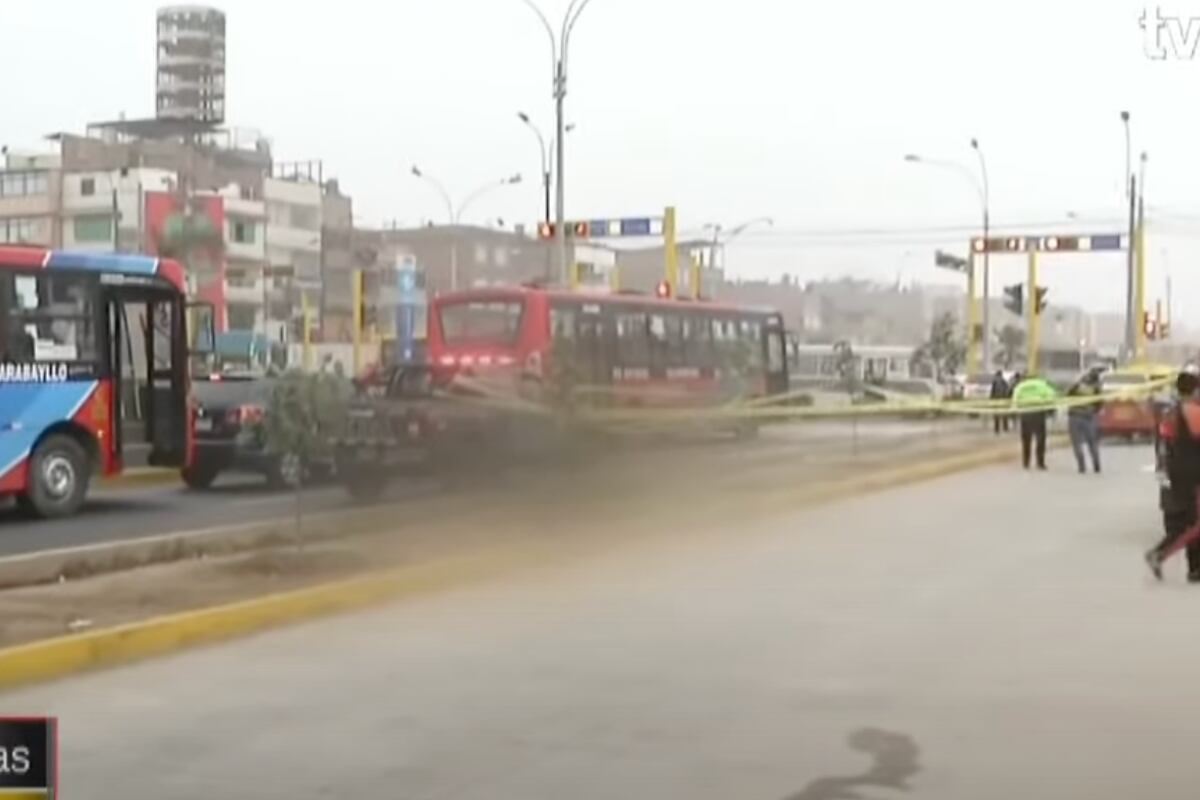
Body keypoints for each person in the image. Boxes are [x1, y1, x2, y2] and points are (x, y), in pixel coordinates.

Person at [1145, 367, 1200, 581]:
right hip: (1192, 473)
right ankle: (1159, 554)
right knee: (1193, 523)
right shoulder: (1190, 410)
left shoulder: (1173, 410)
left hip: (1178, 470)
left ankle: (1195, 568)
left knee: (1190, 520)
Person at [1012, 373, 1056, 470]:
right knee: (1040, 439)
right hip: (1038, 414)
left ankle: (1026, 463)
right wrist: (1050, 410)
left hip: (1025, 414)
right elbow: (1051, 396)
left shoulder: (1021, 386)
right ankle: (1040, 463)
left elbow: (1015, 400)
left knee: (1026, 440)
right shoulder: (1042, 384)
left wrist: (1016, 412)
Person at [1066, 367, 1103, 474]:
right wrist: (1093, 411)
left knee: (1077, 443)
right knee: (1092, 443)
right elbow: (1100, 404)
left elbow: (1067, 395)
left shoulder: (1077, 385)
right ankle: (1096, 465)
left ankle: (1081, 465)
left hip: (1074, 416)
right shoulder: (1096, 388)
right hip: (1089, 417)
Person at [990, 370, 1011, 434]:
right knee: (1005, 415)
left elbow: (992, 392)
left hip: (996, 400)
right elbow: (1008, 390)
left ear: (996, 375)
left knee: (996, 415)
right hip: (1004, 400)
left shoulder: (994, 381)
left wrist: (991, 400)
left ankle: (997, 429)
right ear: (1001, 375)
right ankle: (1005, 428)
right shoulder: (1004, 381)